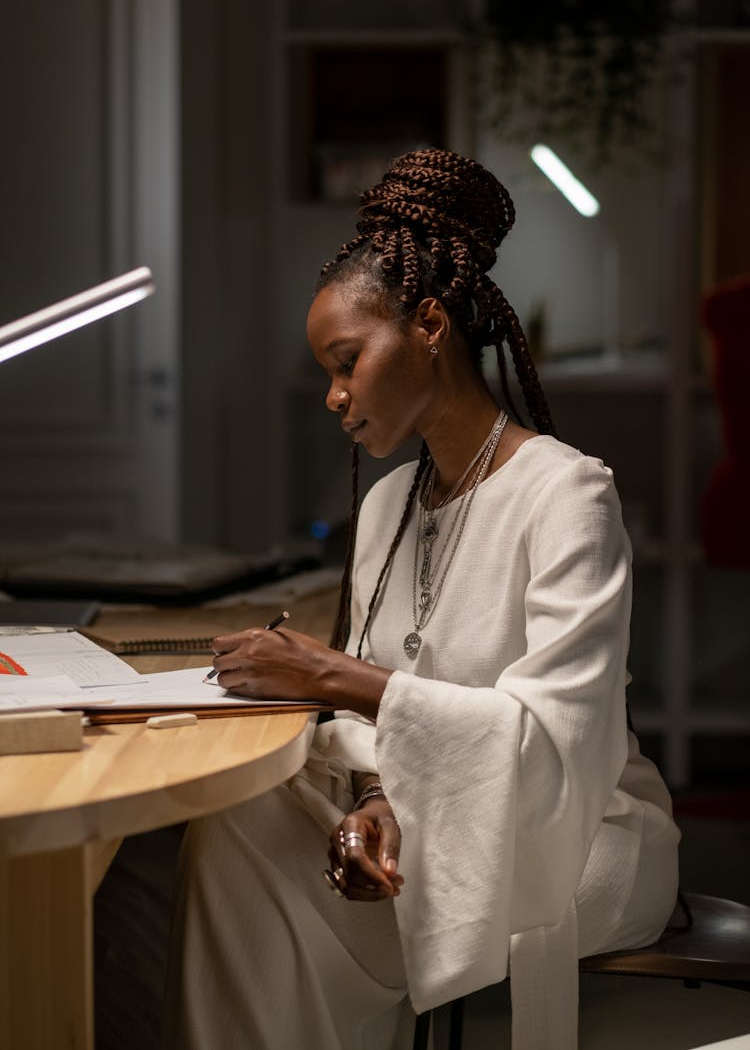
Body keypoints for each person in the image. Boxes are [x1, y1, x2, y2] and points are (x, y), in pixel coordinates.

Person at [161, 148, 680, 1050]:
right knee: (234, 832)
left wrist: (334, 675)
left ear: (431, 323)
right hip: (433, 811)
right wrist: (374, 804)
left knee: (291, 907)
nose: (335, 395)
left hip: (579, 834)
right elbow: (384, 738)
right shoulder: (385, 503)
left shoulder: (567, 495)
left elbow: (552, 744)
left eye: (348, 360)